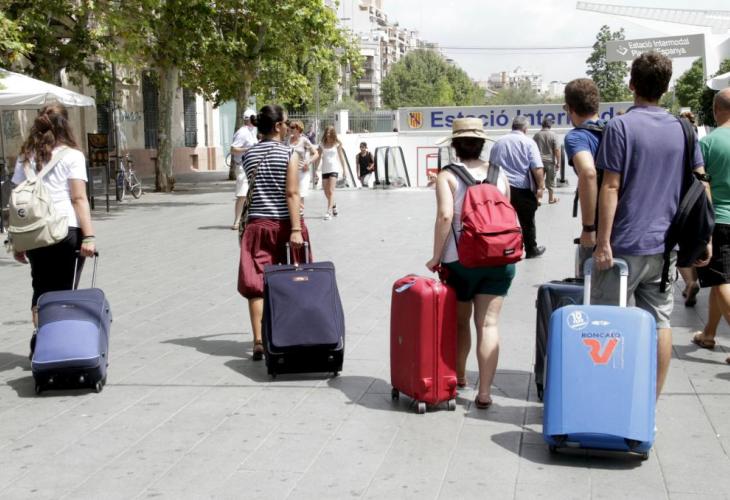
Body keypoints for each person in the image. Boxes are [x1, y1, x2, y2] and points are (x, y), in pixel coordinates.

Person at [592, 52, 709, 397]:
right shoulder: (684, 129)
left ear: (632, 85)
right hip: (665, 247)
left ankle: (609, 397)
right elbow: (701, 184)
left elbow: (610, 186)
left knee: (608, 320)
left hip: (622, 246)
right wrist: (705, 237)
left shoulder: (620, 126)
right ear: (666, 87)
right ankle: (649, 405)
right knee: (660, 322)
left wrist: (602, 242)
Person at [426, 117, 515, 409]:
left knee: (461, 323)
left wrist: (436, 257)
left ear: (454, 145)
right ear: (481, 144)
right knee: (488, 324)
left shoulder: (447, 175)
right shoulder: (499, 173)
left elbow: (445, 217)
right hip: (499, 259)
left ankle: (460, 377)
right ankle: (485, 392)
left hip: (461, 262)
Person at [11, 104, 97, 359]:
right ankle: (57, 346)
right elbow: (79, 198)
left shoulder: (25, 157)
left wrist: (16, 241)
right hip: (64, 230)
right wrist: (89, 236)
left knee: (40, 287)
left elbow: (17, 201)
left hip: (34, 231)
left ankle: (40, 339)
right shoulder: (72, 156)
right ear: (65, 124)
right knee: (64, 291)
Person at [237, 105, 310, 360]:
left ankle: (258, 340)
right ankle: (289, 334)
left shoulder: (248, 155)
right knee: (294, 278)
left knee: (256, 283)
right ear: (278, 126)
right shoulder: (289, 153)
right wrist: (296, 229)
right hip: (285, 226)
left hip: (257, 225)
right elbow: (291, 193)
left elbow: (260, 189)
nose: (288, 127)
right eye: (286, 123)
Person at [690, 89, 730, 358]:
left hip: (721, 219)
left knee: (723, 280)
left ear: (716, 110)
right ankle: (709, 334)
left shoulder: (708, 143)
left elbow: (697, 186)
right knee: (719, 279)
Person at [489, 115, 546, 258]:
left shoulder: (499, 142)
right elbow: (537, 167)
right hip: (521, 188)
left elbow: (491, 165)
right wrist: (541, 187)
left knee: (502, 220)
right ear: (525, 129)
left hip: (500, 188)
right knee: (527, 220)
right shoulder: (529, 142)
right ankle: (531, 249)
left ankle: (502, 248)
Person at [563, 78, 604, 268]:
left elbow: (588, 173)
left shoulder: (576, 136)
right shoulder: (616, 130)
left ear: (571, 108)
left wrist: (588, 227)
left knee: (592, 281)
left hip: (600, 224)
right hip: (629, 219)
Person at [230, 109, 258, 230]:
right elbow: (233, 149)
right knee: (242, 194)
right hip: (242, 166)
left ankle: (247, 220)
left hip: (251, 166)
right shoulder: (242, 132)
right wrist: (248, 149)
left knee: (251, 194)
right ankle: (237, 221)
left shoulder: (252, 131)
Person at [287, 120, 319, 215]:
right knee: (291, 193)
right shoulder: (287, 140)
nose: (290, 129)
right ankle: (294, 214)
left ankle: (299, 215)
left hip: (302, 172)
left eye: (293, 127)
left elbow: (316, 153)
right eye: (290, 127)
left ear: (298, 129)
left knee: (300, 195)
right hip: (290, 171)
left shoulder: (304, 140)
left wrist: (308, 162)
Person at [316, 126, 346, 220]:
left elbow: (341, 157)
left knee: (331, 190)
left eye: (330, 132)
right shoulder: (321, 144)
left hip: (334, 169)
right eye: (327, 132)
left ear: (333, 133)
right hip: (325, 169)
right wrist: (315, 170)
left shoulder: (337, 144)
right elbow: (318, 157)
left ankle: (328, 212)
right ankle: (334, 205)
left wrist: (344, 170)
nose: (328, 134)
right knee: (326, 191)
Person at [532, 118, 560, 204]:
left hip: (539, 162)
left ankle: (538, 199)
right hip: (550, 162)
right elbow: (557, 150)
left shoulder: (537, 135)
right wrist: (558, 162)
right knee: (550, 182)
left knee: (539, 182)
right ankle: (551, 199)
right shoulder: (553, 135)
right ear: (550, 125)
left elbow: (532, 148)